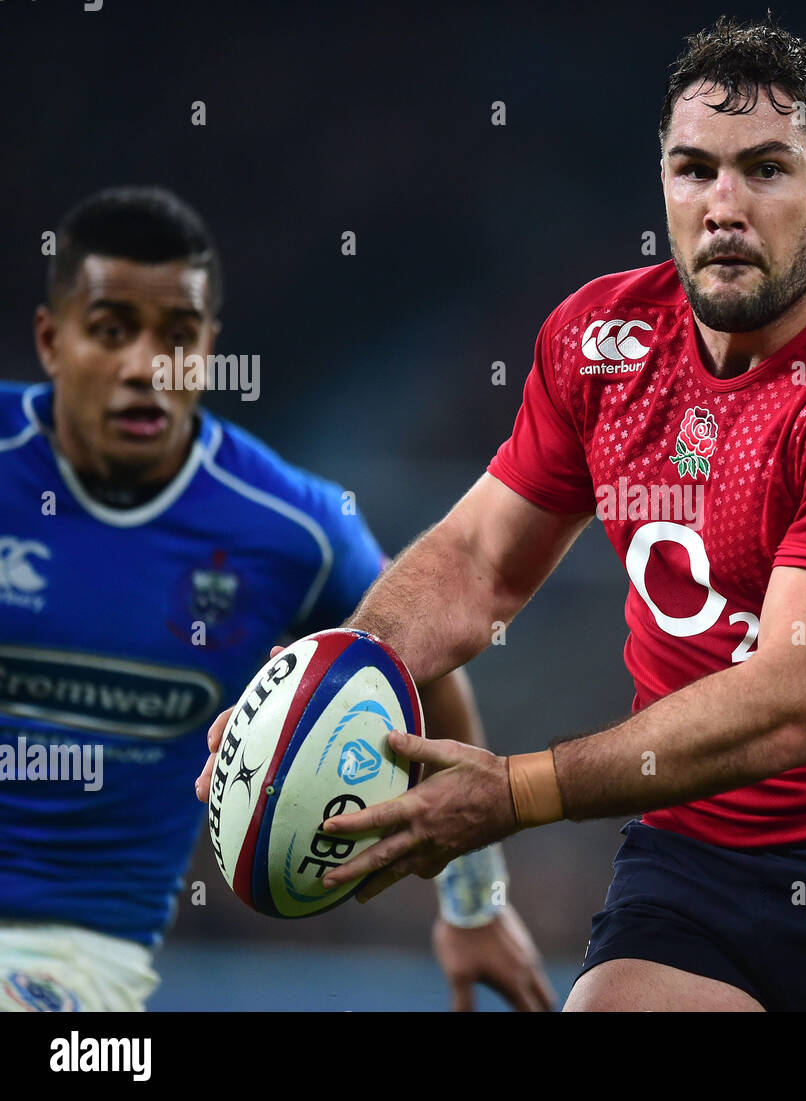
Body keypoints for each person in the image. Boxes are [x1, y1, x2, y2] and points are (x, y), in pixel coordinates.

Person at [201, 14, 806, 1012]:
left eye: (767, 170)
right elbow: (479, 564)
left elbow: (790, 704)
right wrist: (321, 687)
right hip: (699, 859)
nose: (723, 205)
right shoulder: (600, 341)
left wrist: (514, 794)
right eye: (694, 169)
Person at [0, 186, 552, 1012]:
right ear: (51, 339)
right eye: (112, 331)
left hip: (75, 956)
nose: (146, 365)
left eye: (178, 337)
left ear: (210, 347)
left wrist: (473, 903)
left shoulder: (292, 526)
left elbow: (429, 675)